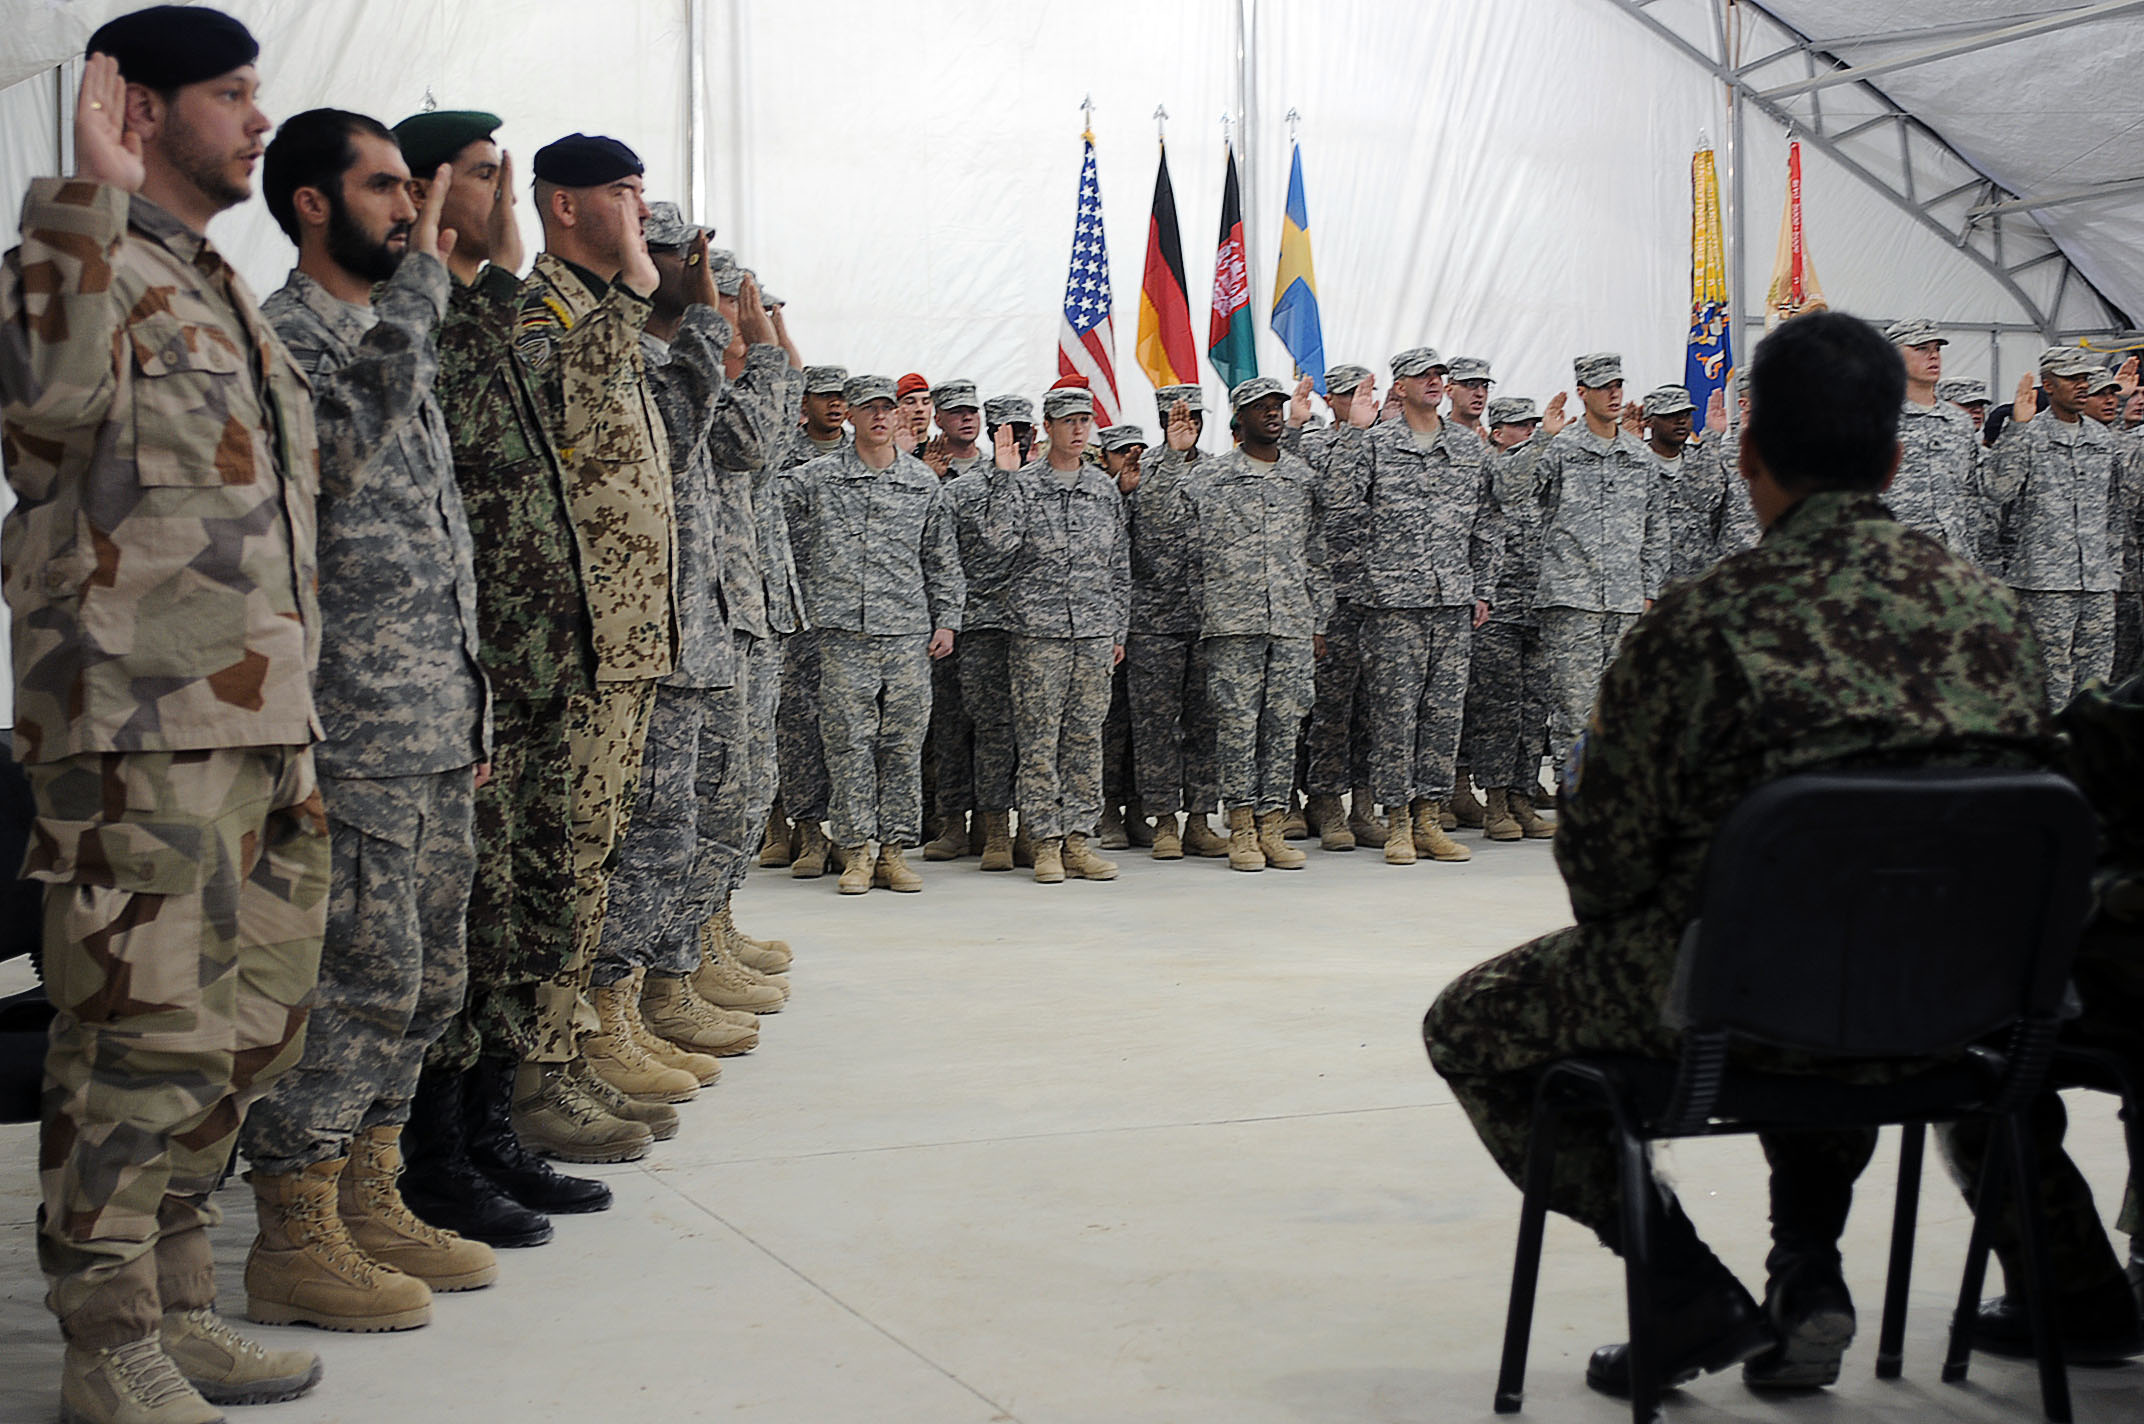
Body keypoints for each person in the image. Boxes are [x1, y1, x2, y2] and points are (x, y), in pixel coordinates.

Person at [1424, 311, 2054, 1399]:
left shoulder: (1694, 627)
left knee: (1469, 1025)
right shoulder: (1996, 620)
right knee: (1838, 945)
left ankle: (1680, 1283)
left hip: (1733, 1006)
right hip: (1958, 1010)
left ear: (1748, 454)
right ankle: (1805, 1268)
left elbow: (1604, 874)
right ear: (1898, 457)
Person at [3, 10, 331, 1418]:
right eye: (230, 94)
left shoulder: (214, 287)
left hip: (259, 726)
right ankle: (107, 1340)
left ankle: (180, 1300)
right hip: (137, 736)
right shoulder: (78, 265)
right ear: (137, 106)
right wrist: (79, 188)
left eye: (259, 89)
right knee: (138, 1038)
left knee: (245, 1029)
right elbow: (39, 415)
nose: (260, 118)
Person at [240, 105, 497, 1331]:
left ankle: (368, 1188)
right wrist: (418, 305)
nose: (414, 211)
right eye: (389, 187)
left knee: (428, 974)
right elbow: (334, 469)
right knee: (354, 978)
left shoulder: (393, 333)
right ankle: (293, 1223)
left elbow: (436, 549)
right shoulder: (288, 339)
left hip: (430, 726)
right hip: (347, 734)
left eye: (415, 189)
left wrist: (473, 706)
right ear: (310, 203)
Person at [389, 107, 624, 1223]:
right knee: (463, 923)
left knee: (519, 909)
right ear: (434, 192)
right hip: (466, 679)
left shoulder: (486, 314)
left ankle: (488, 1133)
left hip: (534, 670)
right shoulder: (412, 320)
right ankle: (433, 1156)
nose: (510, 195)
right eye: (487, 176)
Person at [514, 132, 682, 1150]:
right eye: (622, 192)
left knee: (595, 857)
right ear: (564, 204)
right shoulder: (546, 313)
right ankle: (536, 1068)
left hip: (623, 640)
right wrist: (630, 290)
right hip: (572, 642)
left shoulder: (598, 315)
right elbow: (568, 411)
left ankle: (567, 1046)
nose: (639, 208)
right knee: (562, 860)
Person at [580, 204, 767, 1115]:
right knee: (636, 840)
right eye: (682, 261)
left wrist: (756, 350)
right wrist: (708, 327)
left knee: (678, 829)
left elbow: (747, 444)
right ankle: (617, 1006)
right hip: (643, 640)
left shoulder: (675, 364)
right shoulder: (621, 361)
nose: (705, 284)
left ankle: (656, 985)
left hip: (692, 631)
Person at [782, 375, 964, 893]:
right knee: (847, 743)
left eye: (889, 409)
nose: (881, 417)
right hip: (842, 633)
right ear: (854, 417)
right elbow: (764, 494)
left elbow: (941, 558)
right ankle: (855, 849)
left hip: (907, 632)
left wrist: (947, 619)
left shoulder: (922, 482)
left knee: (902, 744)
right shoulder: (816, 478)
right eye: (870, 409)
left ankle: (893, 852)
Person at [1341, 347, 1501, 865]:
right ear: (1400, 387)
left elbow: (1489, 521)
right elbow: (1341, 512)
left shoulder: (1467, 446)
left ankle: (1430, 818)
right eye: (1423, 376)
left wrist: (1482, 588)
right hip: (1392, 606)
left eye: (1439, 376)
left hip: (1452, 600)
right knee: (1393, 715)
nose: (1435, 382)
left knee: (1442, 715)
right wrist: (1366, 585)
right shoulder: (1375, 444)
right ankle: (1398, 824)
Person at [970, 386, 1129, 884]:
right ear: (1049, 427)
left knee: (1085, 739)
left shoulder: (1103, 488)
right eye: (1069, 421)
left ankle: (1078, 839)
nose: (1080, 430)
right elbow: (996, 545)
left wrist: (1116, 628)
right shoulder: (1022, 484)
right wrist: (1002, 478)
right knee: (1038, 743)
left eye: (1085, 420)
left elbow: (1119, 567)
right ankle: (1043, 841)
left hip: (1093, 634)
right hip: (1038, 635)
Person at [1171, 378, 1331, 870]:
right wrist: (1176, 456)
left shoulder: (1302, 479)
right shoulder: (1211, 478)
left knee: (1284, 726)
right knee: (1237, 727)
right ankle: (1240, 827)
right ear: (1239, 418)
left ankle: (1272, 826)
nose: (1272, 415)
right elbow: (1173, 531)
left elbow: (1316, 554)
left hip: (1290, 623)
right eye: (1261, 407)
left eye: (1277, 407)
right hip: (1233, 624)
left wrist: (1318, 619)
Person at [1529, 353, 1667, 786]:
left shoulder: (1638, 456)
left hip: (1626, 602)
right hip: (1572, 600)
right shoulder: (1561, 449)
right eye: (1603, 386)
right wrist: (1540, 440)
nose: (1614, 393)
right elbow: (1511, 490)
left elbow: (1656, 529)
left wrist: (1649, 591)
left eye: (1618, 385)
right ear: (1582, 393)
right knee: (1575, 710)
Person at [1985, 346, 2124, 707]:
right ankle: (2051, 755)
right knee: (2049, 682)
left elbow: (2113, 513)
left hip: (2096, 582)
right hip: (2044, 585)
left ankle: (2091, 754)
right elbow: (1998, 490)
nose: (2082, 385)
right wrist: (2018, 427)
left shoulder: (2102, 439)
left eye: (2084, 378)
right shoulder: (2028, 434)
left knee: (2096, 683)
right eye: (2072, 378)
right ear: (2047, 384)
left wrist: (2113, 574)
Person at [1126, 385, 1227, 860]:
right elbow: (1135, 527)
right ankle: (1164, 820)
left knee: (1206, 723)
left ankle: (1201, 819)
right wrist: (1172, 456)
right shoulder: (1140, 471)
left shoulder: (1218, 470)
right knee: (1156, 726)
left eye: (1193, 417)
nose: (1187, 424)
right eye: (1175, 417)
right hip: (1153, 620)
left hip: (1207, 619)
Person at [1462, 395, 1564, 841]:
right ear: (1497, 432)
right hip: (1497, 613)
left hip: (1537, 609)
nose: (1526, 432)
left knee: (1532, 711)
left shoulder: (1542, 477)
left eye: (1531, 425)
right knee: (1498, 711)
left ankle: (1524, 795)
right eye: (1518, 426)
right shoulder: (1487, 473)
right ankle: (1497, 802)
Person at [1297, 365, 1386, 852]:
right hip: (1333, 598)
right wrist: (1354, 434)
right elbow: (1329, 498)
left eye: (1366, 394)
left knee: (1374, 711)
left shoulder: (1391, 443)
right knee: (1330, 710)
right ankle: (1326, 803)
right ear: (1331, 400)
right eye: (1350, 394)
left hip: (1385, 597)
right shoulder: (1315, 446)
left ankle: (1366, 804)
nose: (1359, 402)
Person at [944, 396, 1035, 870]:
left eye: (1024, 428)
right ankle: (994, 827)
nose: (1017, 437)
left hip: (1042, 629)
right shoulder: (964, 490)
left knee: (1040, 734)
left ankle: (1037, 829)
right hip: (985, 626)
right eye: (1006, 428)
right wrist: (1005, 479)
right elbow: (992, 547)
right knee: (993, 731)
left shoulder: (1045, 485)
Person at [767, 364, 849, 877]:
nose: (835, 405)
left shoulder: (860, 457)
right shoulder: (783, 455)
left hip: (847, 613)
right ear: (804, 402)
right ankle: (804, 831)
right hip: (795, 612)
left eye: (842, 397)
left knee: (846, 727)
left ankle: (847, 831)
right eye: (824, 396)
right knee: (796, 725)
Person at [920, 379, 987, 861]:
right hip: (940, 619)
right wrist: (927, 475)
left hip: (989, 619)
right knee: (945, 728)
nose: (966, 418)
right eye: (956, 412)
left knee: (990, 726)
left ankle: (991, 820)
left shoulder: (1000, 470)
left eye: (972, 411)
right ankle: (949, 821)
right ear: (939, 419)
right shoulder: (922, 470)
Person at [1884, 319, 1987, 564]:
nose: (1933, 357)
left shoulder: (1958, 421)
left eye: (1937, 349)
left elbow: (1972, 494)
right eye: (1921, 349)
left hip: (1952, 562)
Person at [1638, 383, 1754, 590]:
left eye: (1685, 414)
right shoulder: (1635, 464)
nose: (1680, 421)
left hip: (1698, 585)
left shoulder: (1700, 461)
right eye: (1670, 415)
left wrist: (1714, 435)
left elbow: (1727, 504)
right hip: (1648, 585)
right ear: (1649, 422)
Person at [1094, 424, 1150, 850]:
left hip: (1150, 622)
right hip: (1105, 624)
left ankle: (1137, 809)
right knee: (1109, 726)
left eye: (1138, 451)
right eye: (1120, 453)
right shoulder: (1103, 493)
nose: (1132, 460)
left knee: (1142, 725)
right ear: (1104, 458)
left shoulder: (1148, 490)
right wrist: (1121, 490)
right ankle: (1107, 810)